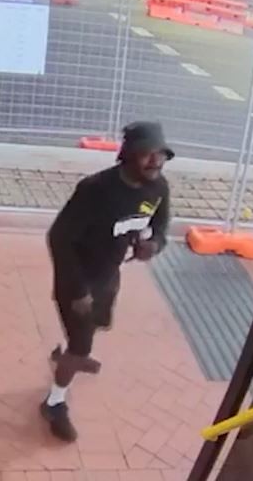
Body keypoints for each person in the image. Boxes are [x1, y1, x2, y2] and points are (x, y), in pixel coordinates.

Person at [42, 121, 174, 442]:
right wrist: (77, 291)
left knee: (100, 323)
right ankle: (54, 402)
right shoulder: (95, 190)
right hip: (77, 283)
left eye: (161, 155)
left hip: (108, 276)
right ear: (128, 155)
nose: (155, 162)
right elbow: (59, 238)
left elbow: (161, 227)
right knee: (82, 343)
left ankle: (66, 354)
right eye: (147, 154)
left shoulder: (158, 188)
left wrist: (153, 245)